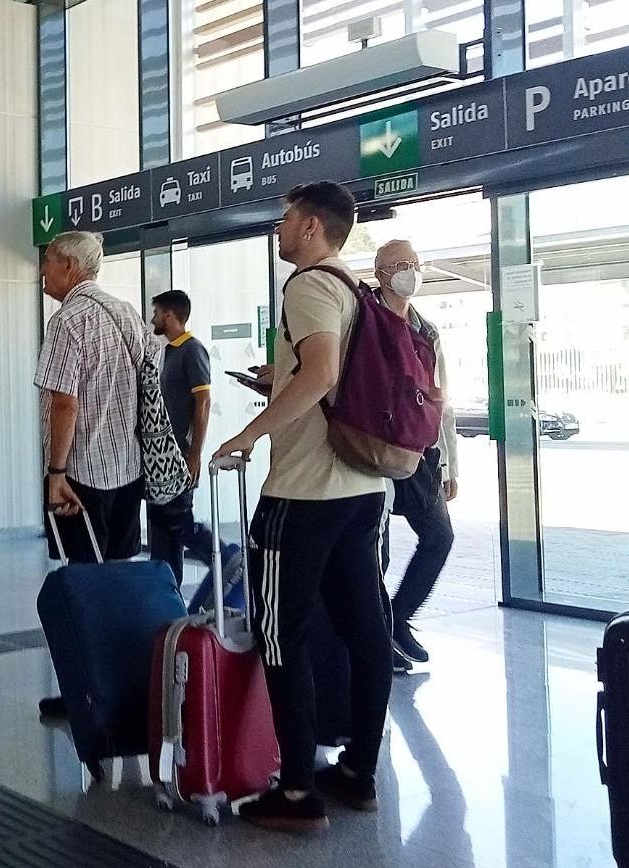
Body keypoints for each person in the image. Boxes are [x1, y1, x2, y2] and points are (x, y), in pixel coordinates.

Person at [211, 181, 391, 833]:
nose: (279, 230)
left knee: (283, 635)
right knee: (367, 632)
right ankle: (358, 773)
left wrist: (248, 433)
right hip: (362, 489)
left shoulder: (310, 284)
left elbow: (321, 375)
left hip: (304, 495)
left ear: (313, 226)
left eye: (285, 220)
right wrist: (277, 378)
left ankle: (295, 793)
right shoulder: (356, 289)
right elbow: (321, 372)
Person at [33, 230, 148, 719]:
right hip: (126, 468)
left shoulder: (68, 321)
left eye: (47, 263)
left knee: (83, 583)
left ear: (69, 266)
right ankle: (128, 684)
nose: (42, 273)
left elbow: (64, 400)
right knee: (119, 577)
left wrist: (56, 471)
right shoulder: (128, 312)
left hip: (80, 475)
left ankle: (91, 691)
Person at [372, 241, 458, 674]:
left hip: (421, 455)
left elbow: (443, 400)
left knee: (439, 537)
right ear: (381, 273)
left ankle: (398, 617)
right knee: (376, 553)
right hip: (375, 452)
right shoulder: (366, 320)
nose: (411, 272)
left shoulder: (427, 330)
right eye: (402, 265)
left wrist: (451, 464)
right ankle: (377, 637)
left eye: (417, 264)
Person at [147, 289, 212, 586]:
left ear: (170, 314)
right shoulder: (167, 352)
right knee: (162, 529)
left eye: (156, 313)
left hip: (180, 455)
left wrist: (194, 453)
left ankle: (223, 556)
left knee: (178, 524)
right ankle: (165, 595)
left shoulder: (192, 350)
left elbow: (203, 402)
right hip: (161, 457)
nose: (153, 319)